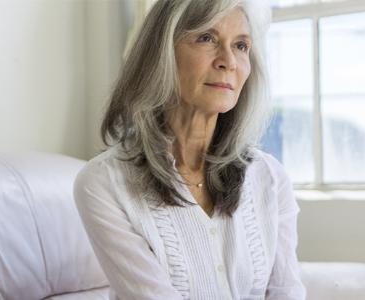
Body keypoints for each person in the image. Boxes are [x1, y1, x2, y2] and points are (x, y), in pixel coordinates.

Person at [73, 0, 307, 299]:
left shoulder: (270, 178)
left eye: (240, 45)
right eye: (207, 38)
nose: (228, 61)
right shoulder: (103, 183)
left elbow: (287, 292)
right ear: (161, 54)